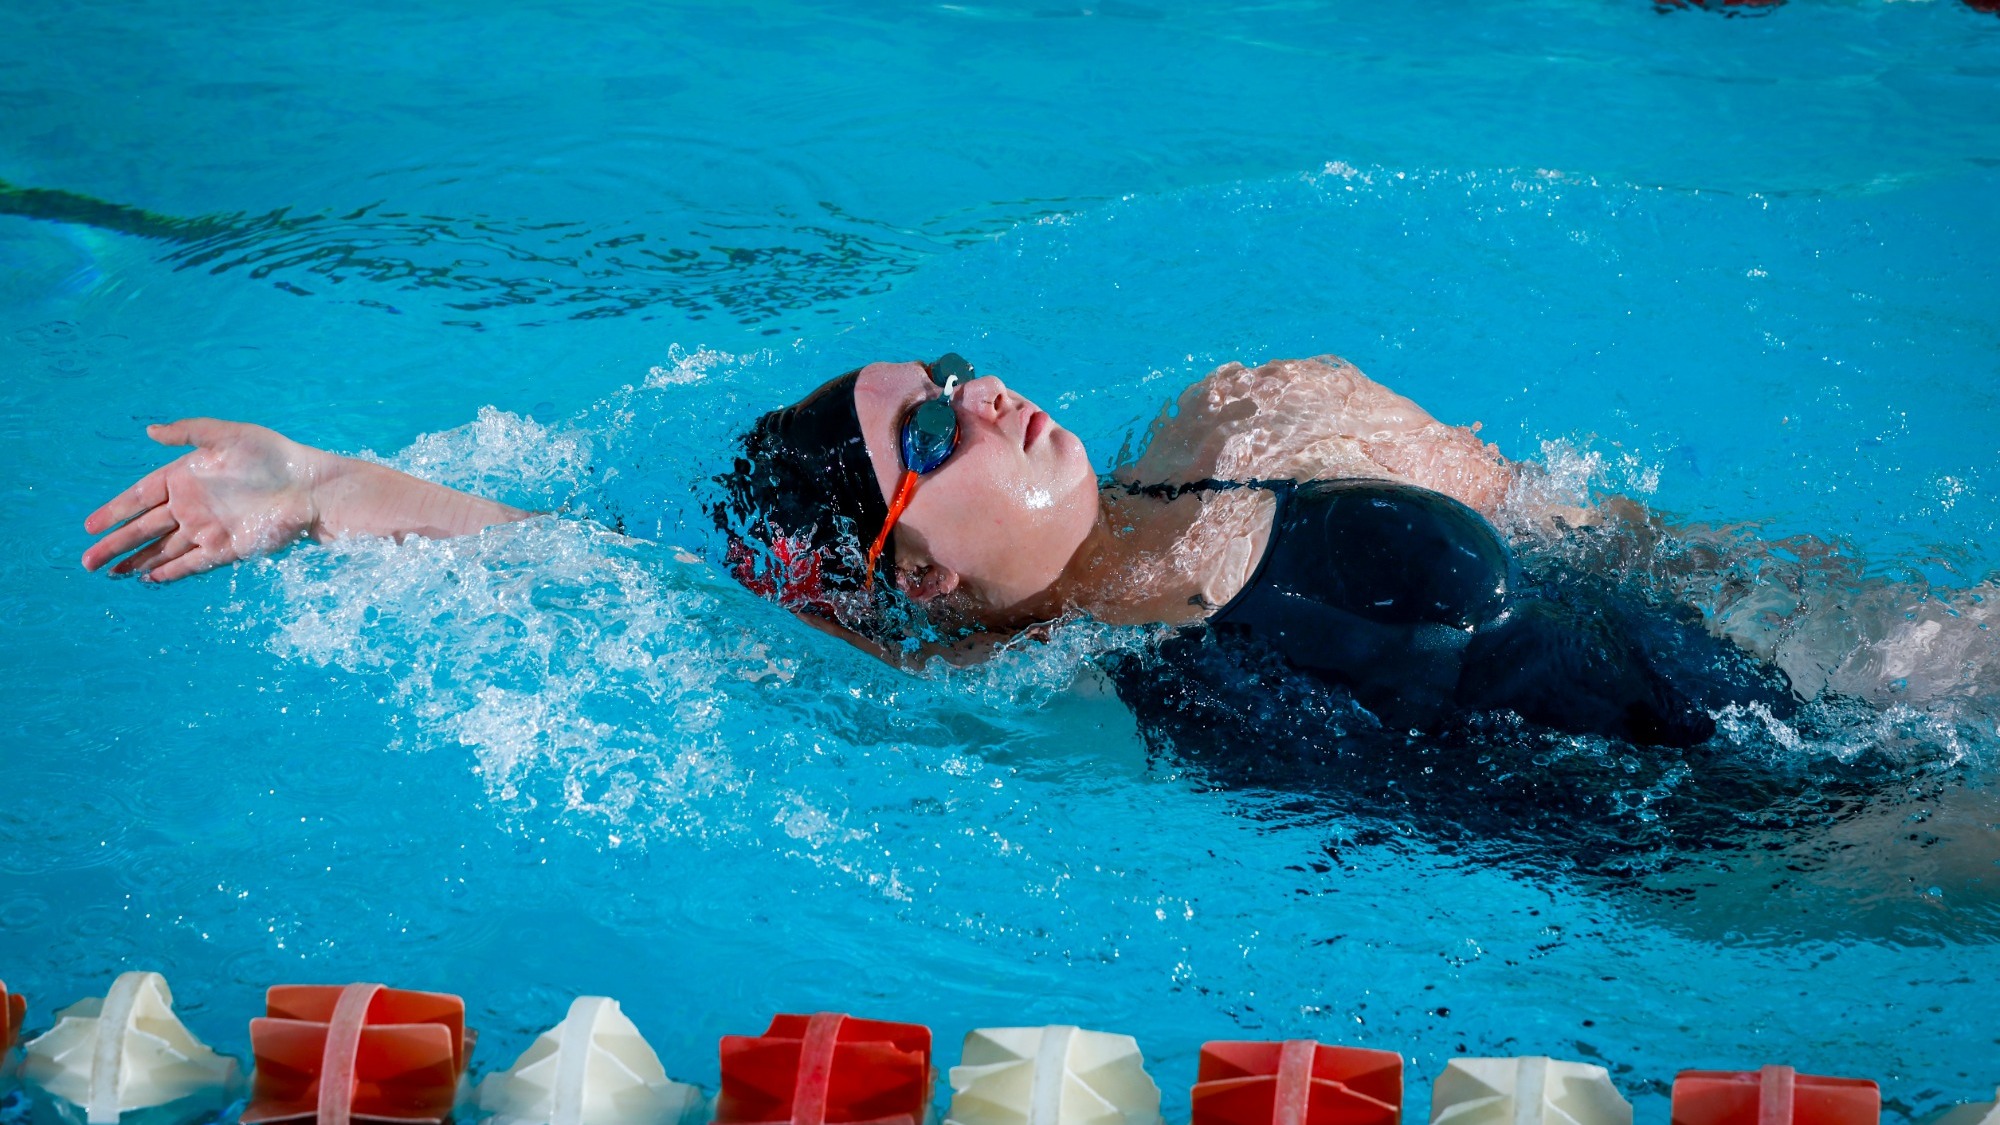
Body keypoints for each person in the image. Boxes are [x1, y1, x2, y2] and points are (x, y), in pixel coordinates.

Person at [81, 353, 1796, 750]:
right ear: (914, 578)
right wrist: (321, 485)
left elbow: (1657, 546)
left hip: (1828, 701)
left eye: (955, 379)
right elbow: (614, 582)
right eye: (930, 438)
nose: (986, 406)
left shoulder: (1258, 415)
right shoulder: (1038, 677)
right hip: (1709, 855)